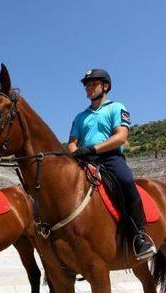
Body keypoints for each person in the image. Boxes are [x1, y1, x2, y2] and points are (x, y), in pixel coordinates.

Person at [67, 69, 156, 260]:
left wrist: (93, 149)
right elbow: (72, 142)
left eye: (93, 84)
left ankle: (140, 235)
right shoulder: (79, 117)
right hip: (84, 159)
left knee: (126, 181)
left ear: (105, 86)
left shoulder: (116, 108)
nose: (88, 89)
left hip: (110, 158)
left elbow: (121, 136)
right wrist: (76, 153)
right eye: (86, 85)